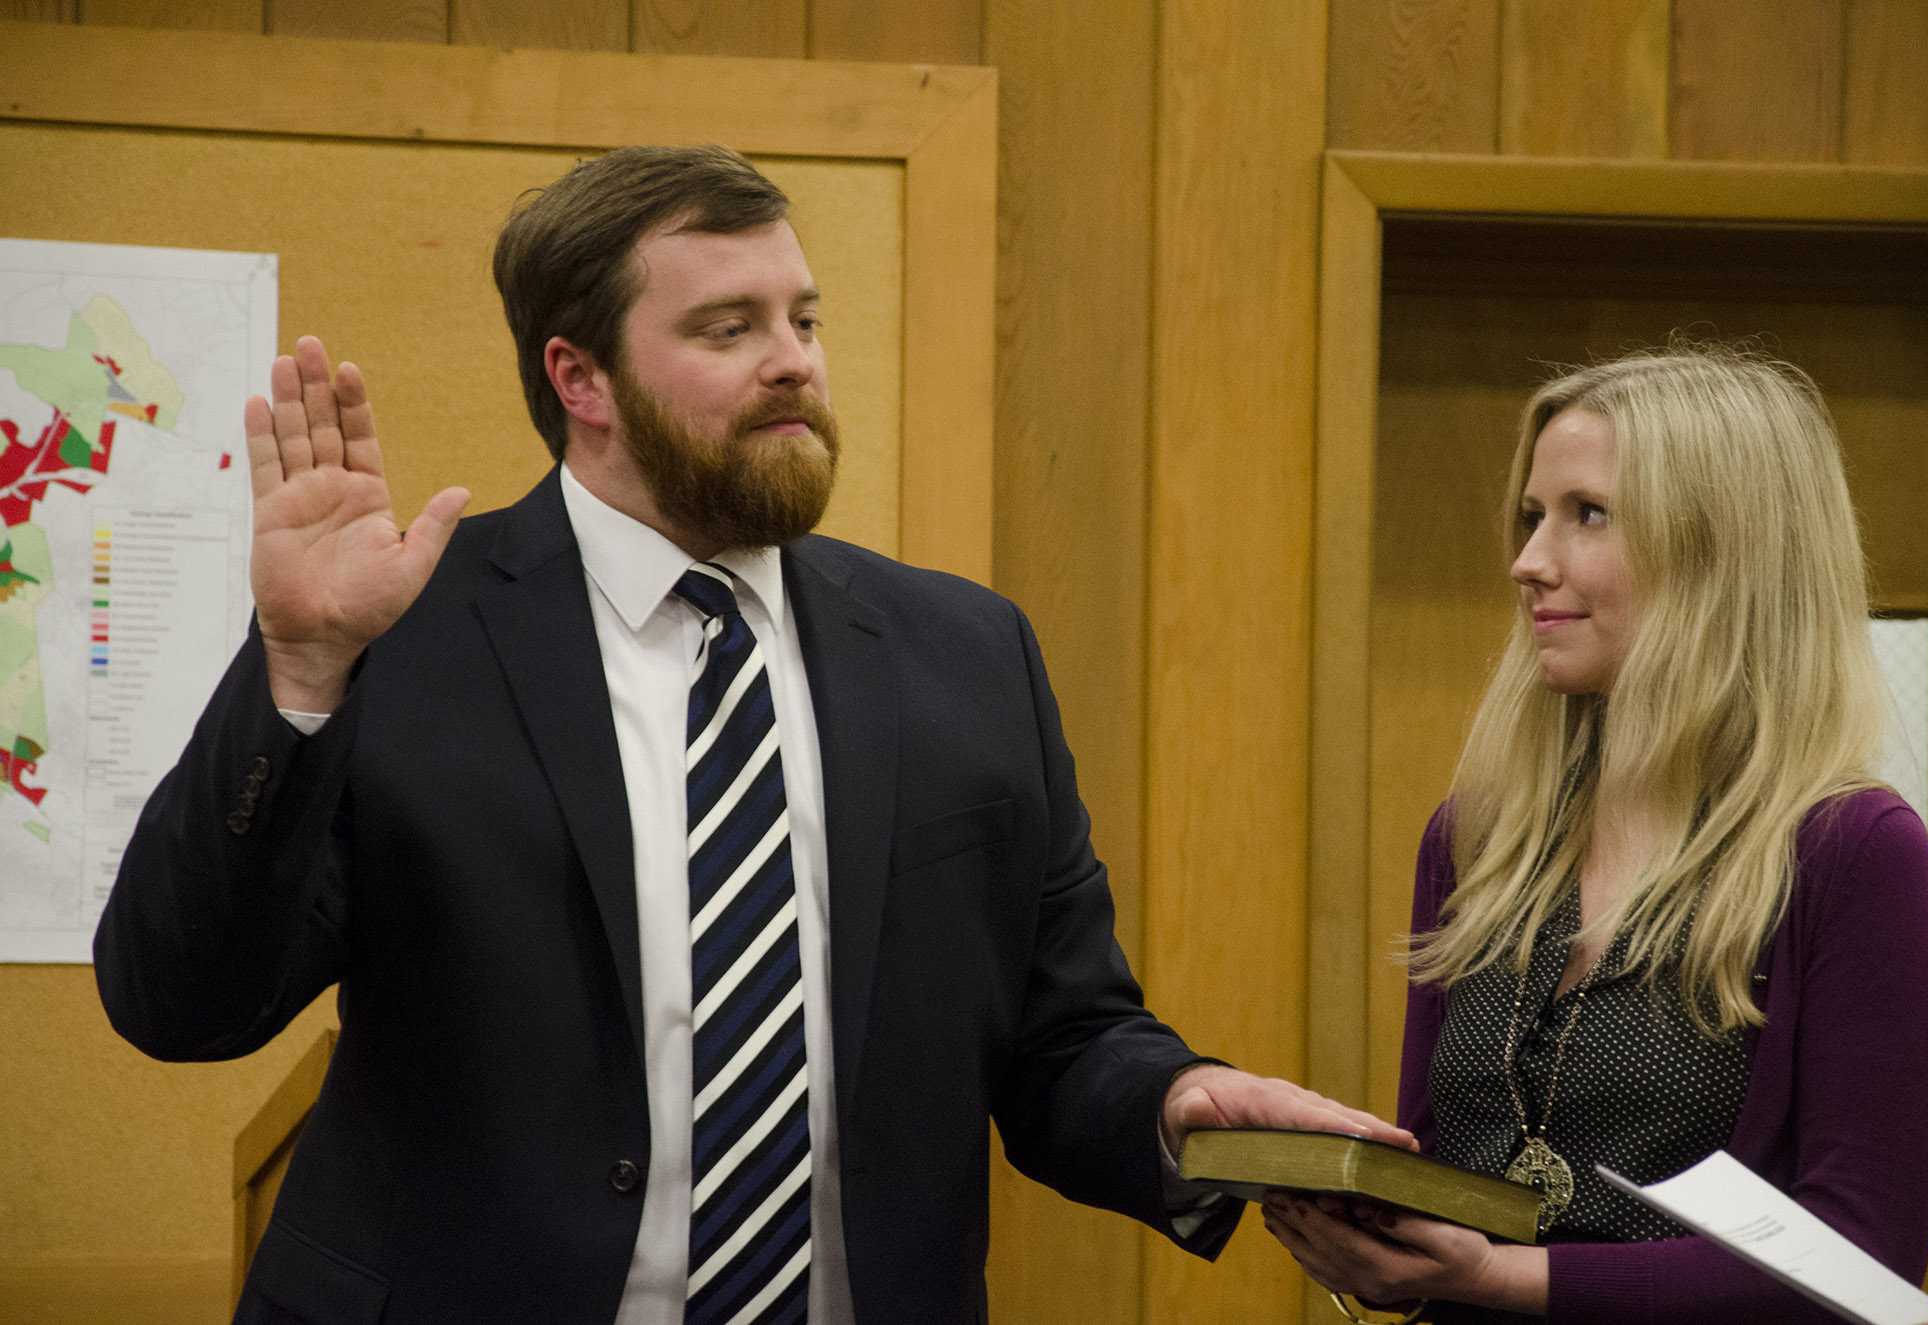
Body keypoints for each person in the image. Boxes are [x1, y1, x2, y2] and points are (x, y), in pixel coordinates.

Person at [92, 145, 1408, 1323]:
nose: (794, 360)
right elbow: (183, 1004)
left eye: (804, 319)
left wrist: (1180, 1105)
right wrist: (304, 667)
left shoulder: (967, 656)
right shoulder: (408, 633)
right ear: (581, 376)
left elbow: (1061, 1040)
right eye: (729, 328)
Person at [1262, 346, 1928, 1322]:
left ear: (1719, 550)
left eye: (1585, 514)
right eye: (1530, 514)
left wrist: (1500, 1277)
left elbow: (1857, 1257)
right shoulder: (1476, 837)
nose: (1527, 559)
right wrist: (1342, 1205)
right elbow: (1442, 1167)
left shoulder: (1849, 851)